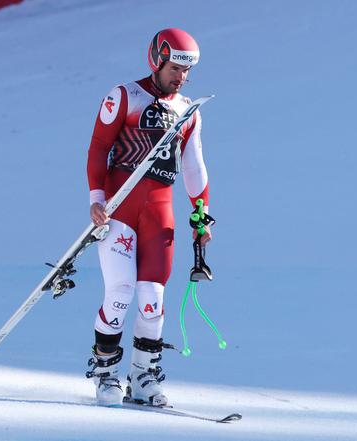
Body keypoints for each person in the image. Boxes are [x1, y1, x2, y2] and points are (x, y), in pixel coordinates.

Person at [84, 28, 211, 407]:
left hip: (159, 212)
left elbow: (194, 167)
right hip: (118, 211)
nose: (181, 77)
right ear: (157, 60)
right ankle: (106, 374)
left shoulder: (188, 111)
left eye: (187, 71)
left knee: (153, 299)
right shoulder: (123, 96)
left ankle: (143, 376)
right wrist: (96, 198)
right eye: (175, 67)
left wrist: (202, 217)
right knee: (121, 292)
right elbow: (98, 147)